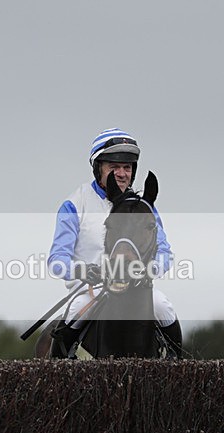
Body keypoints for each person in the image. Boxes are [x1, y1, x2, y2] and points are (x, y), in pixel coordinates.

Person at [47, 128, 183, 357]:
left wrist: (149, 269)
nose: (121, 174)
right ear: (98, 168)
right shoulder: (74, 204)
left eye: (127, 167)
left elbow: (165, 252)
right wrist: (83, 270)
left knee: (163, 306)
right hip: (92, 289)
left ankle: (178, 365)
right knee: (77, 311)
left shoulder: (144, 208)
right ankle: (55, 373)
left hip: (138, 289)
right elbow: (56, 260)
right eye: (114, 167)